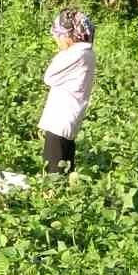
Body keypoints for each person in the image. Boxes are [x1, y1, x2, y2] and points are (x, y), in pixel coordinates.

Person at [40, 9, 96, 174]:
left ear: (68, 36)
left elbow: (49, 77)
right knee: (65, 170)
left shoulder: (76, 54)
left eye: (58, 36)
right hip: (69, 122)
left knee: (53, 175)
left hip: (59, 123)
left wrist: (64, 51)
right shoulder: (87, 53)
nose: (57, 41)